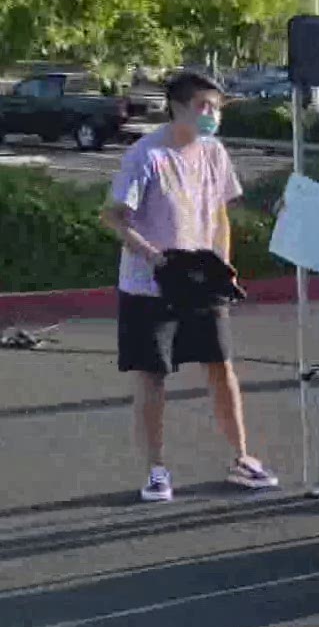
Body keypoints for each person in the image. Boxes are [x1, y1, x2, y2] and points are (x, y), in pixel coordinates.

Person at [100, 69, 278, 502]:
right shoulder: (146, 155)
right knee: (152, 376)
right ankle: (156, 471)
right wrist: (154, 257)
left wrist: (225, 265)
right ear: (177, 106)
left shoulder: (215, 152)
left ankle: (242, 458)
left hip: (203, 280)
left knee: (221, 367)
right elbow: (112, 216)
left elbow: (219, 213)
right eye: (203, 106)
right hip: (151, 285)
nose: (212, 114)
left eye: (216, 107)